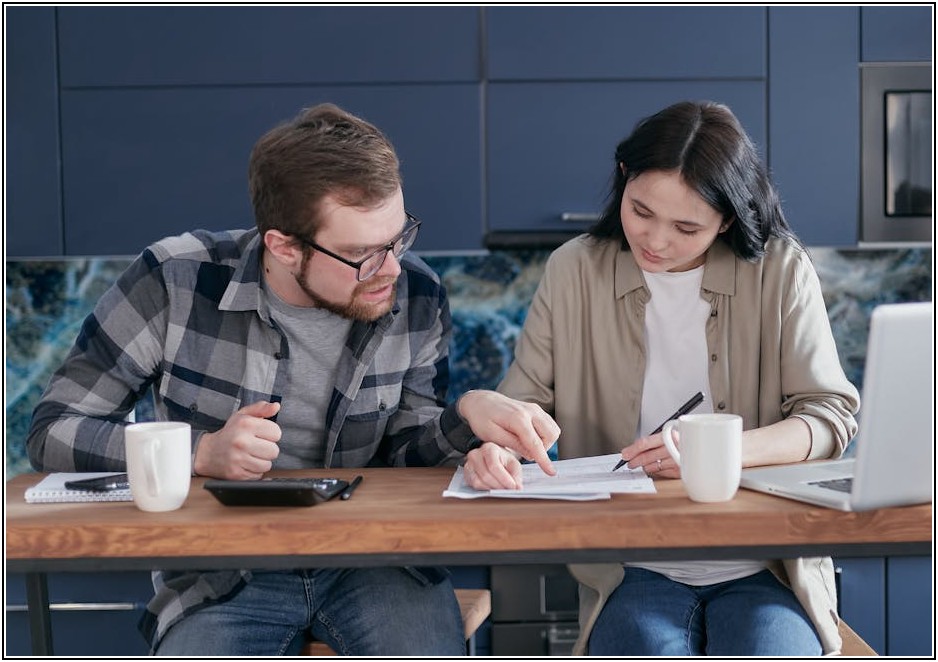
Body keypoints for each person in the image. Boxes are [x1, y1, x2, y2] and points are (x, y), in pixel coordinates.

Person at [26, 102, 559, 656]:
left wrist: (468, 412)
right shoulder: (173, 280)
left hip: (376, 559)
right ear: (284, 246)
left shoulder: (418, 295)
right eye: (362, 255)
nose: (393, 269)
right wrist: (200, 451)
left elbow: (408, 455)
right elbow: (54, 430)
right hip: (221, 570)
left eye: (398, 239)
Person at [462, 100, 860, 656]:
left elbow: (829, 416)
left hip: (766, 561)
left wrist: (717, 454)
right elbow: (522, 404)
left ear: (728, 217)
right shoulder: (575, 270)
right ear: (623, 178)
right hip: (630, 564)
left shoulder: (781, 270)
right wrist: (499, 445)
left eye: (687, 227)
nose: (655, 241)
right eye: (640, 210)